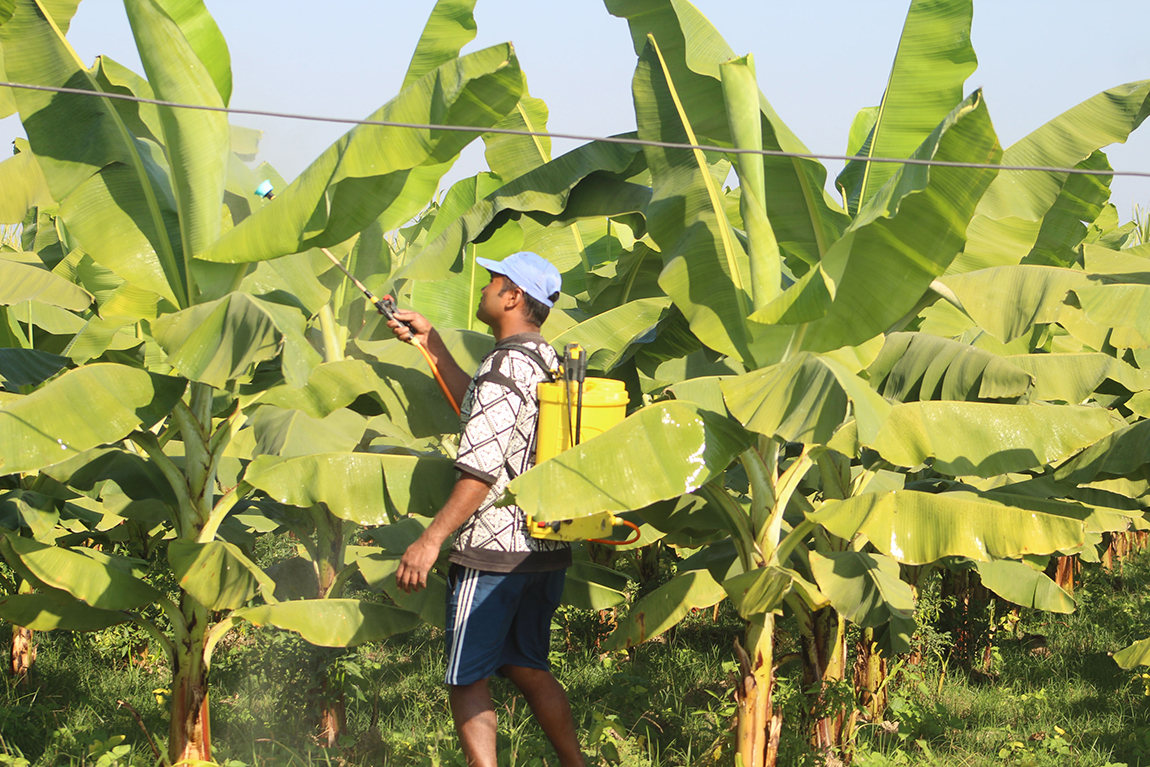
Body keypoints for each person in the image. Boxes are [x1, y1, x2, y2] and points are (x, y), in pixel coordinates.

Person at [388, 251, 584, 767]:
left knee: (467, 675)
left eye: (492, 281)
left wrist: (431, 540)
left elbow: (480, 468)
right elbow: (477, 405)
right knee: (527, 665)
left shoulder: (505, 364)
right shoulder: (547, 360)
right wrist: (429, 342)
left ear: (512, 296)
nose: (483, 289)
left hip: (494, 551)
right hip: (544, 547)